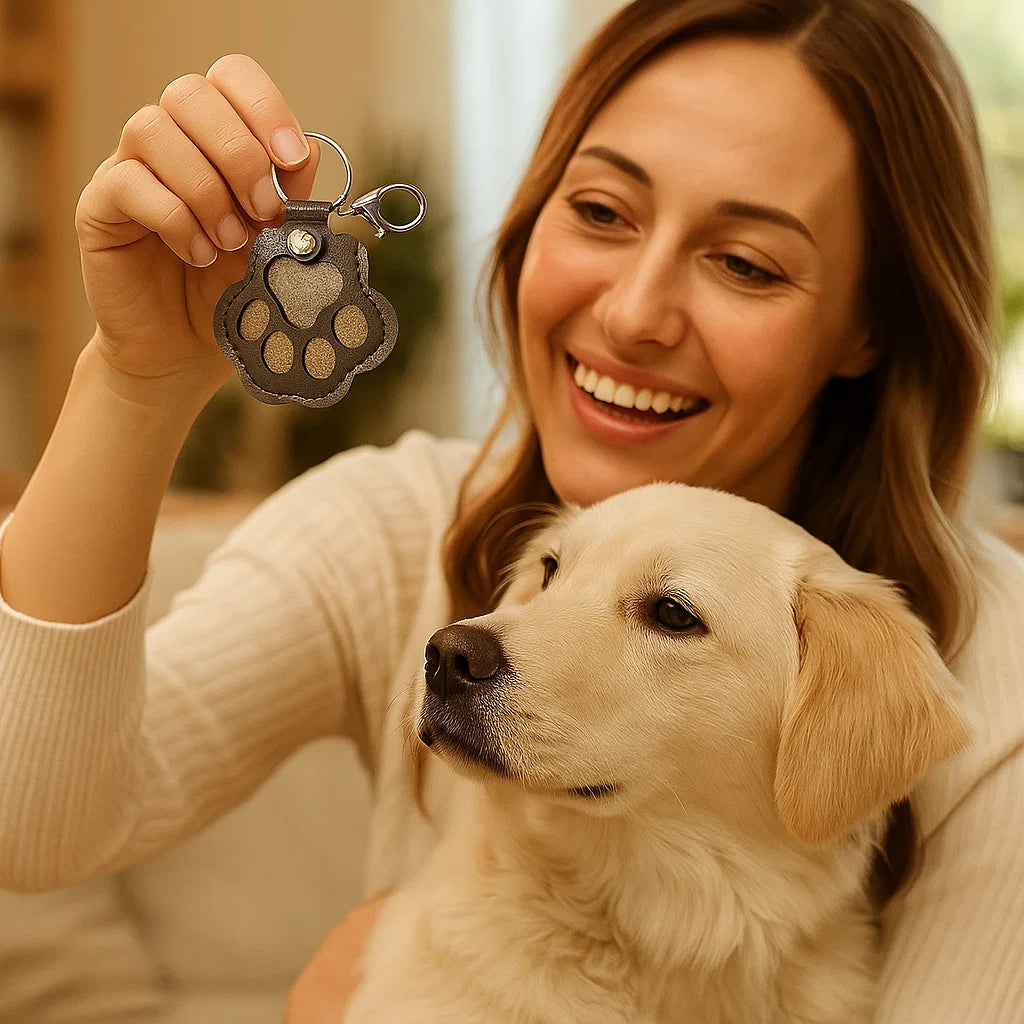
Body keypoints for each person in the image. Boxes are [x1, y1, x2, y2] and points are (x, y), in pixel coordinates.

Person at [1, 0, 1022, 1021]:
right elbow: (31, 823)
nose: (630, 312)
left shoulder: (995, 675)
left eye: (745, 263)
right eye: (601, 211)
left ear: (868, 324)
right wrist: (135, 382)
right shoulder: (390, 522)